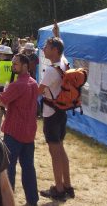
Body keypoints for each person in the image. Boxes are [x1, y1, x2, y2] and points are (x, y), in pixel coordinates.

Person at [0, 53, 39, 206]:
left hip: (14, 131)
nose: (13, 66)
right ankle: (32, 200)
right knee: (28, 167)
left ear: (25, 66)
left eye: (16, 64)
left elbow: (1, 100)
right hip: (29, 131)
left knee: (8, 167)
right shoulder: (33, 82)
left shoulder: (18, 84)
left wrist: (1, 98)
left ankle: (8, 201)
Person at [38, 36, 74, 200]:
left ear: (55, 50)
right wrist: (56, 32)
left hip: (50, 114)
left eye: (46, 46)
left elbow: (38, 91)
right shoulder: (64, 63)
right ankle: (67, 186)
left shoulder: (52, 70)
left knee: (55, 152)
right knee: (60, 148)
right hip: (62, 111)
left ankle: (58, 190)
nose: (44, 48)